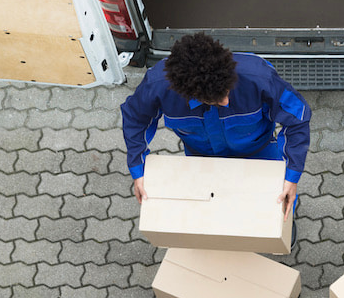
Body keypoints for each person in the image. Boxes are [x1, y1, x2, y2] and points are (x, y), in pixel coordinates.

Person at [121, 32, 311, 220]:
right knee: (211, 214)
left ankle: (284, 226)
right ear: (188, 93)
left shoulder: (259, 78)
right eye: (216, 99)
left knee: (275, 204)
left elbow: (297, 117)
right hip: (200, 157)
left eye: (227, 90)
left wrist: (292, 177)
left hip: (260, 152)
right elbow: (135, 119)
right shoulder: (157, 86)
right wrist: (139, 170)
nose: (227, 100)